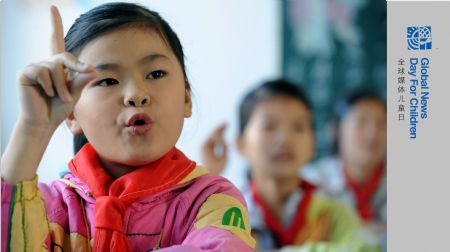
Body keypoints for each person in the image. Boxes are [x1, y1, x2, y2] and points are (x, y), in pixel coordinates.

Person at [1, 3, 255, 251]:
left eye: (155, 74)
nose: (135, 94)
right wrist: (32, 129)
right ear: (71, 112)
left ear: (186, 98)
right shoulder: (49, 208)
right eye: (109, 80)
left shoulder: (212, 201)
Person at [202, 79, 378, 251]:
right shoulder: (229, 211)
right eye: (269, 127)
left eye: (299, 127)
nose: (285, 139)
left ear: (313, 145)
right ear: (241, 143)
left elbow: (364, 248)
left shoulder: (334, 208)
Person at [301, 89, 387, 251]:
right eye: (361, 122)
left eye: (382, 124)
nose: (372, 134)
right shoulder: (311, 181)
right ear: (336, 130)